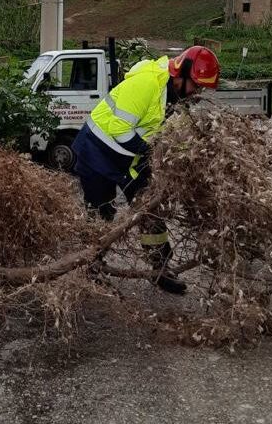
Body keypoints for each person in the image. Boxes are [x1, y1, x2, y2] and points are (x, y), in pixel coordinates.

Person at [71, 46, 220, 294]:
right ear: (180, 75)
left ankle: (159, 269)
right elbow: (120, 128)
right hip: (96, 151)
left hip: (129, 157)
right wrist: (150, 153)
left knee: (151, 211)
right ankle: (92, 264)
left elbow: (163, 134)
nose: (197, 93)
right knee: (101, 213)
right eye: (196, 85)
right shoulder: (147, 84)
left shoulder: (174, 97)